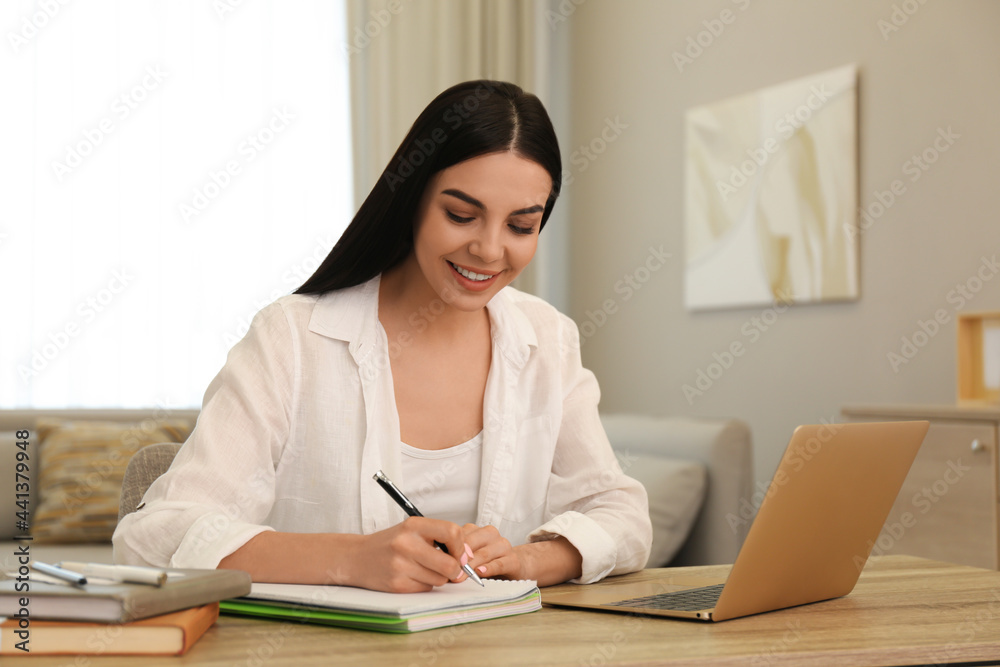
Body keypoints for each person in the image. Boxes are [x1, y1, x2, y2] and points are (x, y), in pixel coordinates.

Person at [113, 80, 651, 592]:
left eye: (520, 226)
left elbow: (622, 513)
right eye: (462, 215)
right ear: (413, 198)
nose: (489, 250)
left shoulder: (546, 339)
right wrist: (350, 559)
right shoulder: (293, 338)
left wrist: (529, 558)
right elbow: (153, 536)